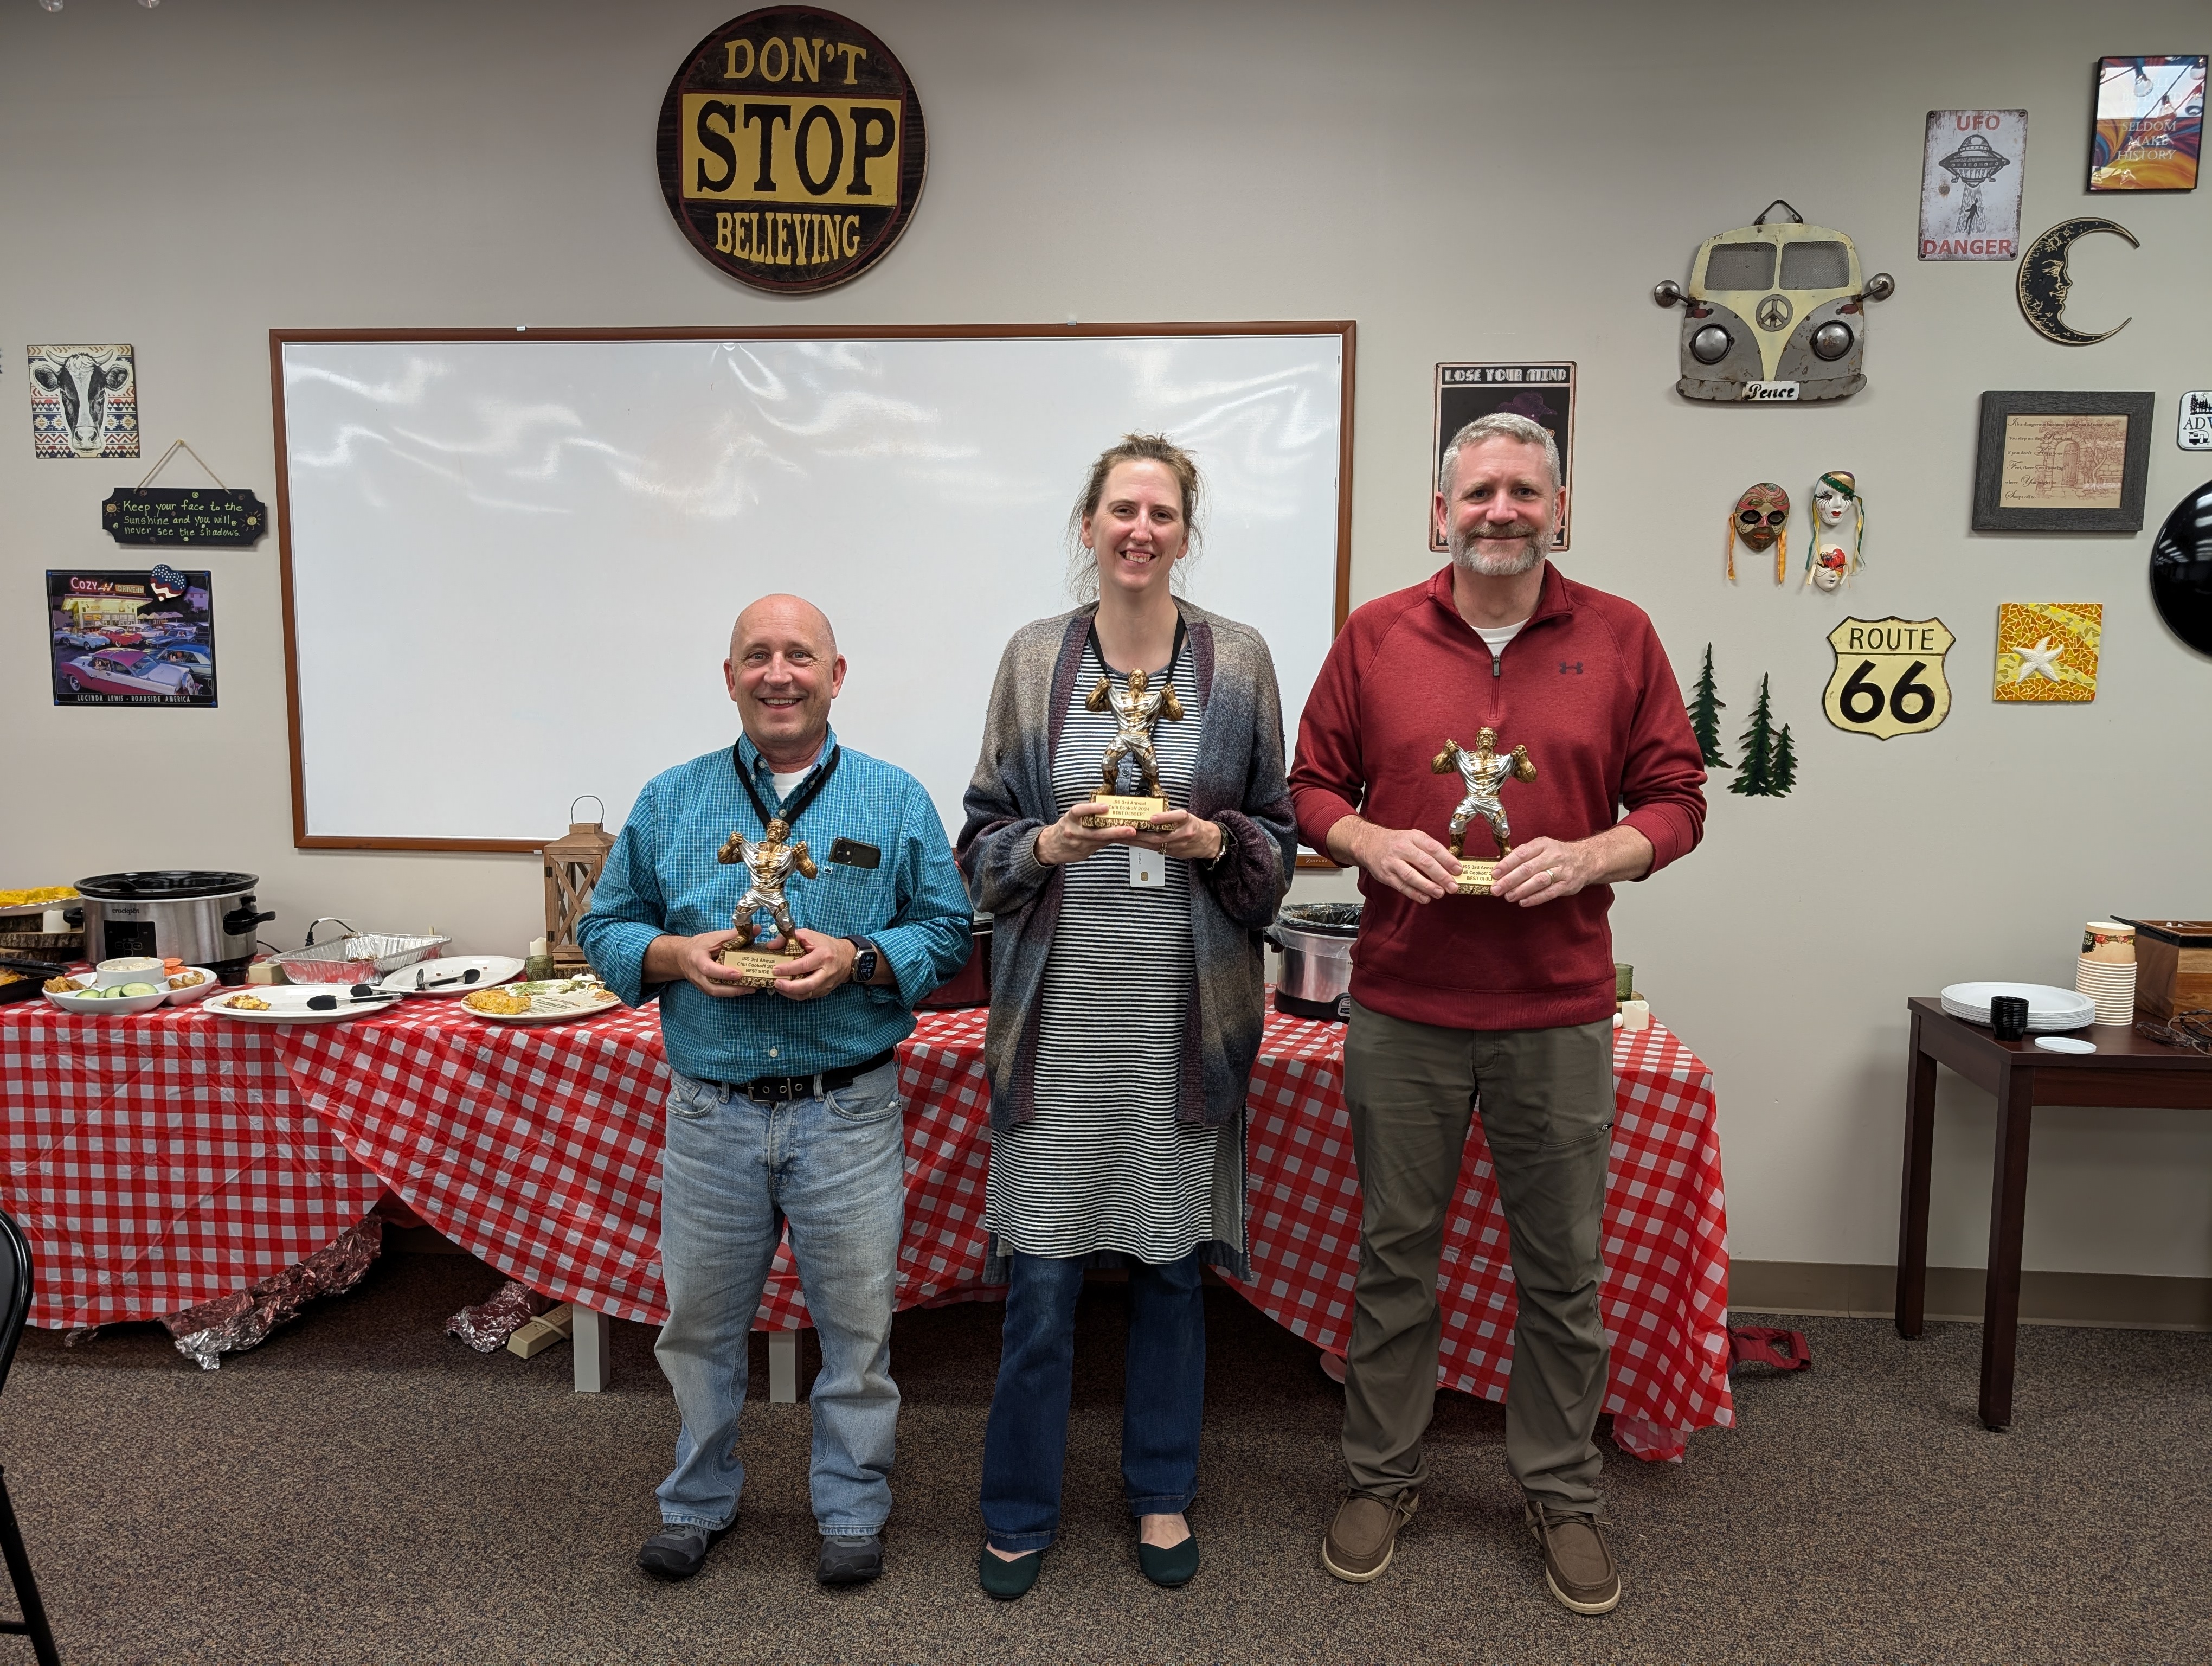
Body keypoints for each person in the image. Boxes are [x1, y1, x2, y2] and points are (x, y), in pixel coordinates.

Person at [1288, 412, 1707, 1614]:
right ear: (1441, 511)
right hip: (1406, 1008)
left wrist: (1594, 857)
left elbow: (1678, 799)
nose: (1501, 512)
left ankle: (1562, 1492)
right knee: (1392, 1261)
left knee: (1563, 1272)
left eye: (1525, 492)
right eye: (1479, 493)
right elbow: (1311, 783)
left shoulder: (1622, 638)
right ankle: (1380, 1477)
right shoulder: (1375, 638)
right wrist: (1366, 836)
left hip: (1557, 1013)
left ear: (1558, 509)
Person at [958, 434, 1295, 1599]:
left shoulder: (1239, 663)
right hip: (1058, 1029)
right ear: (1088, 527)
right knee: (1042, 1283)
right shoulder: (1031, 657)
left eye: (1161, 513)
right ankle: (1017, 1505)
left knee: (1168, 1270)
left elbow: (1275, 847)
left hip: (1181, 1028)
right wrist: (1048, 842)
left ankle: (1160, 1495)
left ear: (1184, 534)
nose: (1140, 529)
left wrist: (1211, 841)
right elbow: (981, 843)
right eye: (1121, 510)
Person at [578, 594, 972, 1588]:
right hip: (710, 1114)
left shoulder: (893, 799)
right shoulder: (671, 800)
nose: (778, 673)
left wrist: (863, 958)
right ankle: (697, 1501)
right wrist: (669, 952)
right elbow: (606, 927)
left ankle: (851, 1508)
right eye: (757, 656)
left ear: (837, 676)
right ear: (730, 678)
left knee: (858, 1332)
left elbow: (949, 931)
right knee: (700, 1328)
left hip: (847, 1109)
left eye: (800, 655)